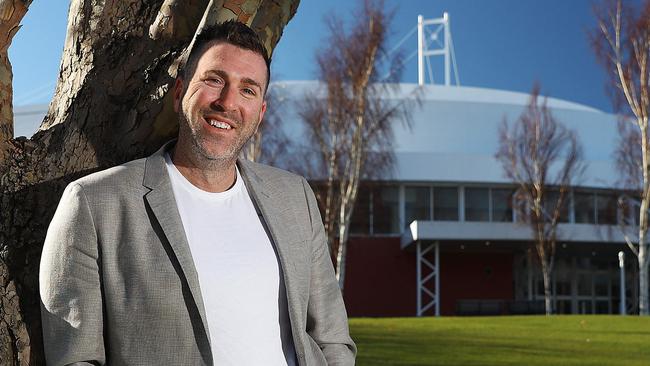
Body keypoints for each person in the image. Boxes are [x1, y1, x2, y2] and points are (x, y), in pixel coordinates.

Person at [39, 20, 356, 366]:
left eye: (248, 90)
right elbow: (75, 359)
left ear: (260, 113)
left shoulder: (296, 197)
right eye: (214, 80)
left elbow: (333, 340)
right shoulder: (93, 204)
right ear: (179, 94)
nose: (227, 102)